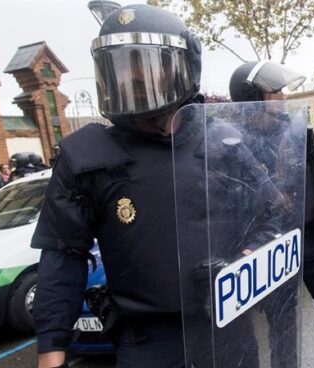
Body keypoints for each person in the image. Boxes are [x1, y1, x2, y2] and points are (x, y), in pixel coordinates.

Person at [30, 5, 262, 368]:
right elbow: (62, 258)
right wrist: (51, 353)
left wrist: (249, 259)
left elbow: (270, 213)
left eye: (149, 73)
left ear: (185, 71)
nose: (135, 87)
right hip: (148, 343)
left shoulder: (223, 142)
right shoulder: (88, 157)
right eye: (123, 74)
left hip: (227, 324)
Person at [229, 60, 314, 368]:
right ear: (252, 97)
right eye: (275, 92)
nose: (283, 96)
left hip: (311, 232)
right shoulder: (236, 140)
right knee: (281, 317)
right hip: (272, 241)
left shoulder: (298, 128)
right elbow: (234, 197)